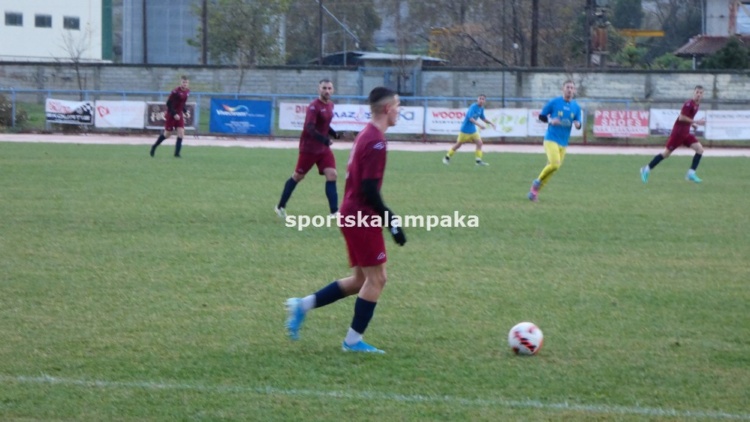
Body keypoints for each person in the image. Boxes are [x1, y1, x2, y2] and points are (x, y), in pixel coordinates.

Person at [285, 87, 406, 354]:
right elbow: (369, 189)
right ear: (387, 108)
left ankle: (302, 305)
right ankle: (352, 342)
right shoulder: (376, 141)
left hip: (350, 211)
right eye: (397, 105)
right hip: (361, 216)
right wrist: (391, 220)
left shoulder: (367, 133)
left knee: (360, 280)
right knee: (377, 279)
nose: (399, 110)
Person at [275, 79, 340, 218]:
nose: (327, 91)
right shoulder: (313, 107)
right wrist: (325, 139)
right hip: (309, 149)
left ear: (333, 90)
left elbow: (324, 125)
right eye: (324, 88)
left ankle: (334, 212)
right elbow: (310, 128)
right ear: (319, 89)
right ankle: (280, 207)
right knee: (298, 176)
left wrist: (334, 133)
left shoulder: (330, 105)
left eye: (329, 88)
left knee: (332, 174)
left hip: (323, 149)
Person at [527, 80, 582, 202]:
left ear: (574, 90)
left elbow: (578, 122)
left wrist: (578, 124)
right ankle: (536, 183)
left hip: (564, 142)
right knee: (555, 164)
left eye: (572, 88)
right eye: (567, 87)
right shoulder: (554, 102)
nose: (570, 90)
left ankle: (534, 193)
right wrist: (551, 121)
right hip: (551, 139)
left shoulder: (576, 107)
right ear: (563, 89)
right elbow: (541, 116)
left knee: (553, 168)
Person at [640, 85, 707, 184]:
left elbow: (686, 118)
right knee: (666, 154)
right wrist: (696, 121)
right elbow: (681, 117)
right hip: (678, 134)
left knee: (700, 149)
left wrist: (692, 124)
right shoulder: (689, 104)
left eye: (701, 93)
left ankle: (691, 173)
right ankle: (646, 169)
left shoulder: (697, 105)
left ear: (703, 95)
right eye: (697, 92)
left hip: (686, 133)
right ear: (694, 93)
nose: (698, 94)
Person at [442, 94, 496, 166]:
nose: (481, 100)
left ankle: (478, 161)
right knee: (458, 145)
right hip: (465, 130)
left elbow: (483, 118)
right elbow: (470, 118)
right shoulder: (473, 107)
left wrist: (491, 123)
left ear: (485, 101)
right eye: (480, 98)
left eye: (483, 99)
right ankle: (446, 158)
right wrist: (480, 125)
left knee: (479, 143)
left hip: (473, 130)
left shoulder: (481, 108)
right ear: (477, 99)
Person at [150, 75, 190, 158]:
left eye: (186, 82)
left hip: (179, 115)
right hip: (171, 114)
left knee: (181, 133)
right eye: (183, 82)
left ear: (188, 83)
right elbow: (168, 103)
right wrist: (174, 114)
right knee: (167, 134)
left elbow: (182, 104)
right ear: (180, 82)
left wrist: (185, 111)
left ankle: (177, 154)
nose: (185, 84)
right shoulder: (175, 91)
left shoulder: (187, 91)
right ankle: (154, 146)